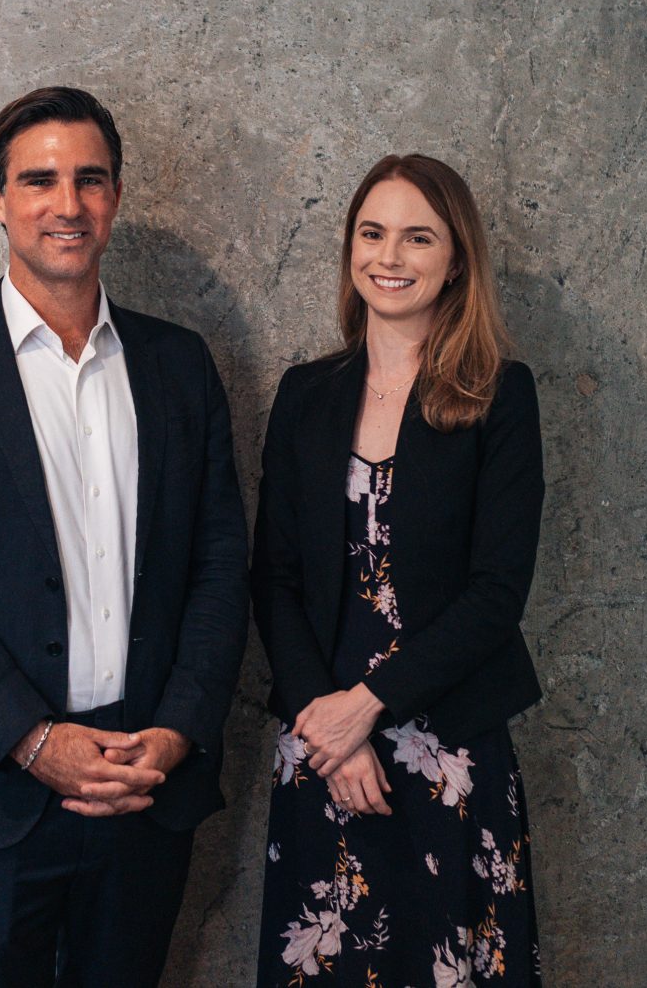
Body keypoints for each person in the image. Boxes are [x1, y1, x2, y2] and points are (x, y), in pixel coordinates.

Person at [0, 86, 249, 988]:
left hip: (146, 782)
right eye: (39, 180)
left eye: (90, 179)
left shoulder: (179, 364)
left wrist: (178, 730)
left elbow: (221, 565)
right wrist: (34, 740)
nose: (67, 204)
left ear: (116, 196)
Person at [252, 154, 545, 986]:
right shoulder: (306, 393)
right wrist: (330, 729)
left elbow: (497, 594)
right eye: (372, 233)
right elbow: (272, 577)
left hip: (448, 750)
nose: (389, 256)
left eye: (418, 237)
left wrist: (367, 708)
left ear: (456, 260)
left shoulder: (498, 394)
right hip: (321, 750)